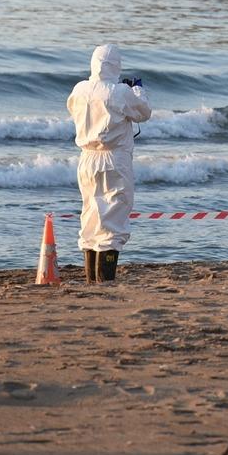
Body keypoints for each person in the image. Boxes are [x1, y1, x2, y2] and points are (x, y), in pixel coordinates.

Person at [66, 44, 151, 283]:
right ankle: (105, 280)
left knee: (91, 218)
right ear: (116, 66)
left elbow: (73, 108)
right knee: (113, 220)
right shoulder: (119, 92)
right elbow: (143, 112)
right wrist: (138, 91)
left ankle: (91, 279)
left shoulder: (80, 89)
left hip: (86, 158)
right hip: (114, 159)